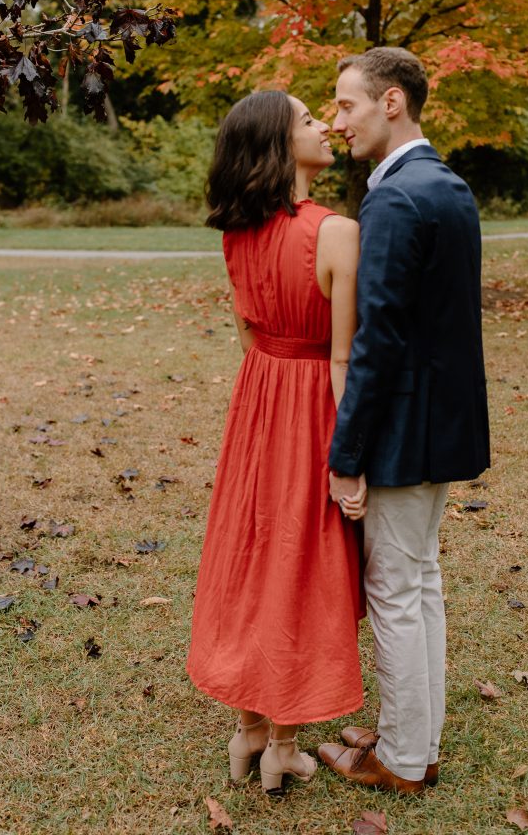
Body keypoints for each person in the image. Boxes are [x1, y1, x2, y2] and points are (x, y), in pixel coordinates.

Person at [317, 47, 490, 795]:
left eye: (345, 104)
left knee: (398, 588)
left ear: (391, 103)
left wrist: (345, 451)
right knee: (419, 583)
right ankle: (413, 737)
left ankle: (401, 757)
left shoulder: (393, 199)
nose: (335, 120)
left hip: (404, 430)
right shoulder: (444, 185)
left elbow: (377, 340)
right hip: (442, 422)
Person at [186, 90, 367, 795]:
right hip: (311, 407)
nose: (325, 125)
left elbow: (247, 336)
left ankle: (249, 732)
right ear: (277, 145)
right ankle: (282, 744)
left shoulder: (237, 232)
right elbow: (342, 359)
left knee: (256, 559)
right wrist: (347, 458)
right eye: (308, 120)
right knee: (301, 569)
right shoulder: (337, 233)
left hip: (256, 402)